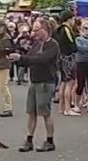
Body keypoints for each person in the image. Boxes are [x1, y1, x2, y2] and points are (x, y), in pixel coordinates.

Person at [7, 19, 60, 153]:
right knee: (31, 112)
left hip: (46, 82)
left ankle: (50, 140)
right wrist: (16, 58)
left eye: (37, 30)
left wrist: (22, 58)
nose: (34, 33)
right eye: (33, 30)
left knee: (45, 113)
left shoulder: (52, 45)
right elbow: (29, 59)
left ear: (45, 30)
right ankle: (29, 140)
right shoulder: (36, 44)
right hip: (35, 81)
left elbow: (42, 60)